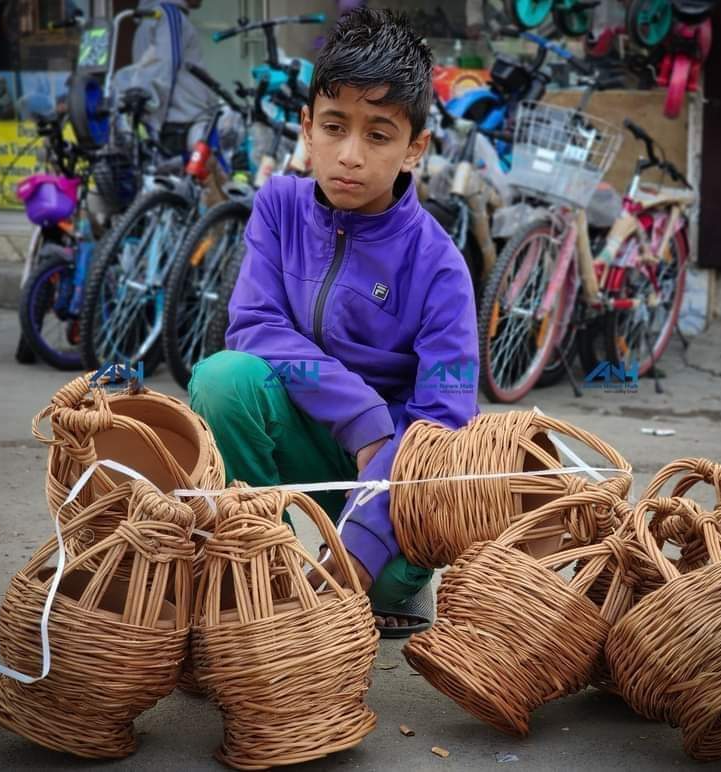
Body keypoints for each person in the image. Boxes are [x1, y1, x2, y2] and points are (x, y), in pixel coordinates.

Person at [188, 8, 478, 636]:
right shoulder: (277, 207)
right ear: (306, 129)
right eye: (334, 127)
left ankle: (361, 579)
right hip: (305, 445)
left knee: (397, 582)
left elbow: (444, 421)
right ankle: (260, 559)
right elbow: (254, 324)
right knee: (223, 378)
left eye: (378, 135)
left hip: (391, 481)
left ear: (414, 149)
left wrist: (356, 551)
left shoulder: (440, 266)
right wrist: (363, 419)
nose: (349, 156)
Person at [125, 0, 217, 156]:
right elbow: (166, 69)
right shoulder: (168, 15)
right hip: (181, 123)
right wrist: (155, 126)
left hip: (166, 122)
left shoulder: (150, 18)